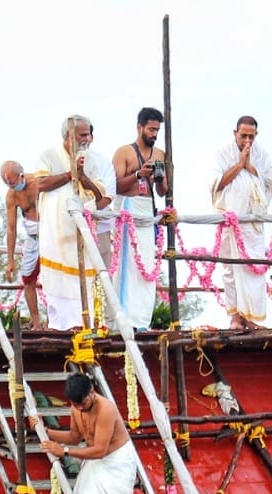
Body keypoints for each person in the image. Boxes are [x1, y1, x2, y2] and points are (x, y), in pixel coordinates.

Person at [32, 115, 113, 331]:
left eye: (89, 134)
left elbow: (101, 197)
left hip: (81, 229)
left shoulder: (91, 159)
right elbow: (40, 183)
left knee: (82, 279)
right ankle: (60, 326)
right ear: (69, 136)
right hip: (55, 232)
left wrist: (84, 178)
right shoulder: (48, 154)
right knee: (59, 279)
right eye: (82, 135)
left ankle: (83, 324)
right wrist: (70, 174)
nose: (87, 139)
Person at [210, 115, 272, 330]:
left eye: (251, 136)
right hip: (230, 221)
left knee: (253, 268)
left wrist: (251, 167)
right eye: (243, 136)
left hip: (253, 225)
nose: (247, 141)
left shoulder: (261, 155)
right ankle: (236, 318)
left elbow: (271, 181)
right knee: (230, 270)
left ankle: (251, 318)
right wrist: (239, 165)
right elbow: (215, 184)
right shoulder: (222, 153)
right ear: (234, 134)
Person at [110, 107, 167, 331]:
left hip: (148, 210)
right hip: (128, 208)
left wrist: (158, 178)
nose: (154, 134)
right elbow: (113, 186)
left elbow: (163, 191)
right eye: (151, 129)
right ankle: (124, 320)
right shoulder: (124, 152)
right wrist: (138, 175)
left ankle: (142, 319)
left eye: (157, 130)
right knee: (128, 265)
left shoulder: (160, 154)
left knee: (146, 265)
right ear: (140, 127)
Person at [0, 161, 42, 326]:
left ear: (21, 176)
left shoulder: (39, 182)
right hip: (32, 238)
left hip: (50, 234)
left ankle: (56, 320)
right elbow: (11, 228)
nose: (11, 186)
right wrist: (10, 260)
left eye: (12, 182)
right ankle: (36, 321)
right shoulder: (11, 195)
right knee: (27, 279)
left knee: (55, 275)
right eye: (7, 184)